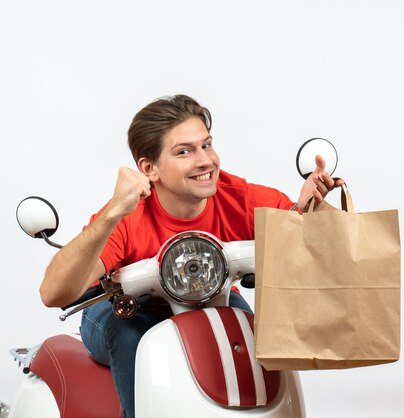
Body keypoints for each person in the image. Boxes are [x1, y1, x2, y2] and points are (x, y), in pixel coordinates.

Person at [38, 94, 343, 418]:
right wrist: (114, 210)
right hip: (125, 309)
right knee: (132, 337)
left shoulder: (238, 197)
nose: (205, 161)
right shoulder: (128, 213)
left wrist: (311, 207)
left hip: (211, 298)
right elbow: (52, 293)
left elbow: (316, 247)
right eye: (184, 151)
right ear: (148, 168)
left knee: (249, 328)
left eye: (206, 145)